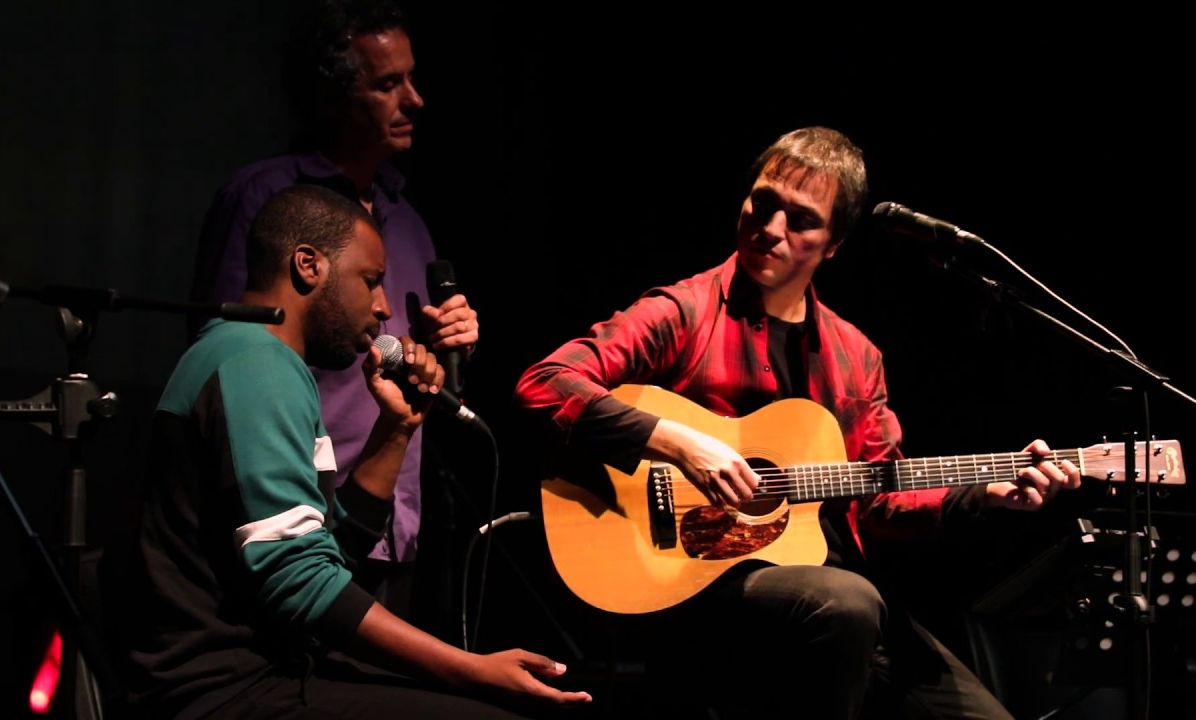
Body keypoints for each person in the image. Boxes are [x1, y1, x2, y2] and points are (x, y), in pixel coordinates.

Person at [512, 126, 1081, 719]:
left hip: (833, 596)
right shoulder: (683, 312)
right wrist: (676, 444)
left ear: (834, 245)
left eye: (801, 220)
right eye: (763, 203)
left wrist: (988, 492)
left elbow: (881, 498)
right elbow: (542, 384)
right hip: (697, 582)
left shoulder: (856, 357)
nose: (772, 228)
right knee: (848, 603)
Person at [103, 184, 590, 719]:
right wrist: (472, 668)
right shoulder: (253, 362)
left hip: (270, 669)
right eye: (371, 280)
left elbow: (334, 552)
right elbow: (297, 578)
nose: (384, 308)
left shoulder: (259, 357)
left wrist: (396, 430)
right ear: (308, 265)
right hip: (222, 689)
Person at [188, 0, 473, 626]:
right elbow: (229, 353)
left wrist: (446, 341)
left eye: (412, 77)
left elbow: (401, 355)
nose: (415, 99)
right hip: (299, 520)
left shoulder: (410, 220)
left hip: (391, 518)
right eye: (388, 84)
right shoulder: (269, 200)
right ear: (335, 99)